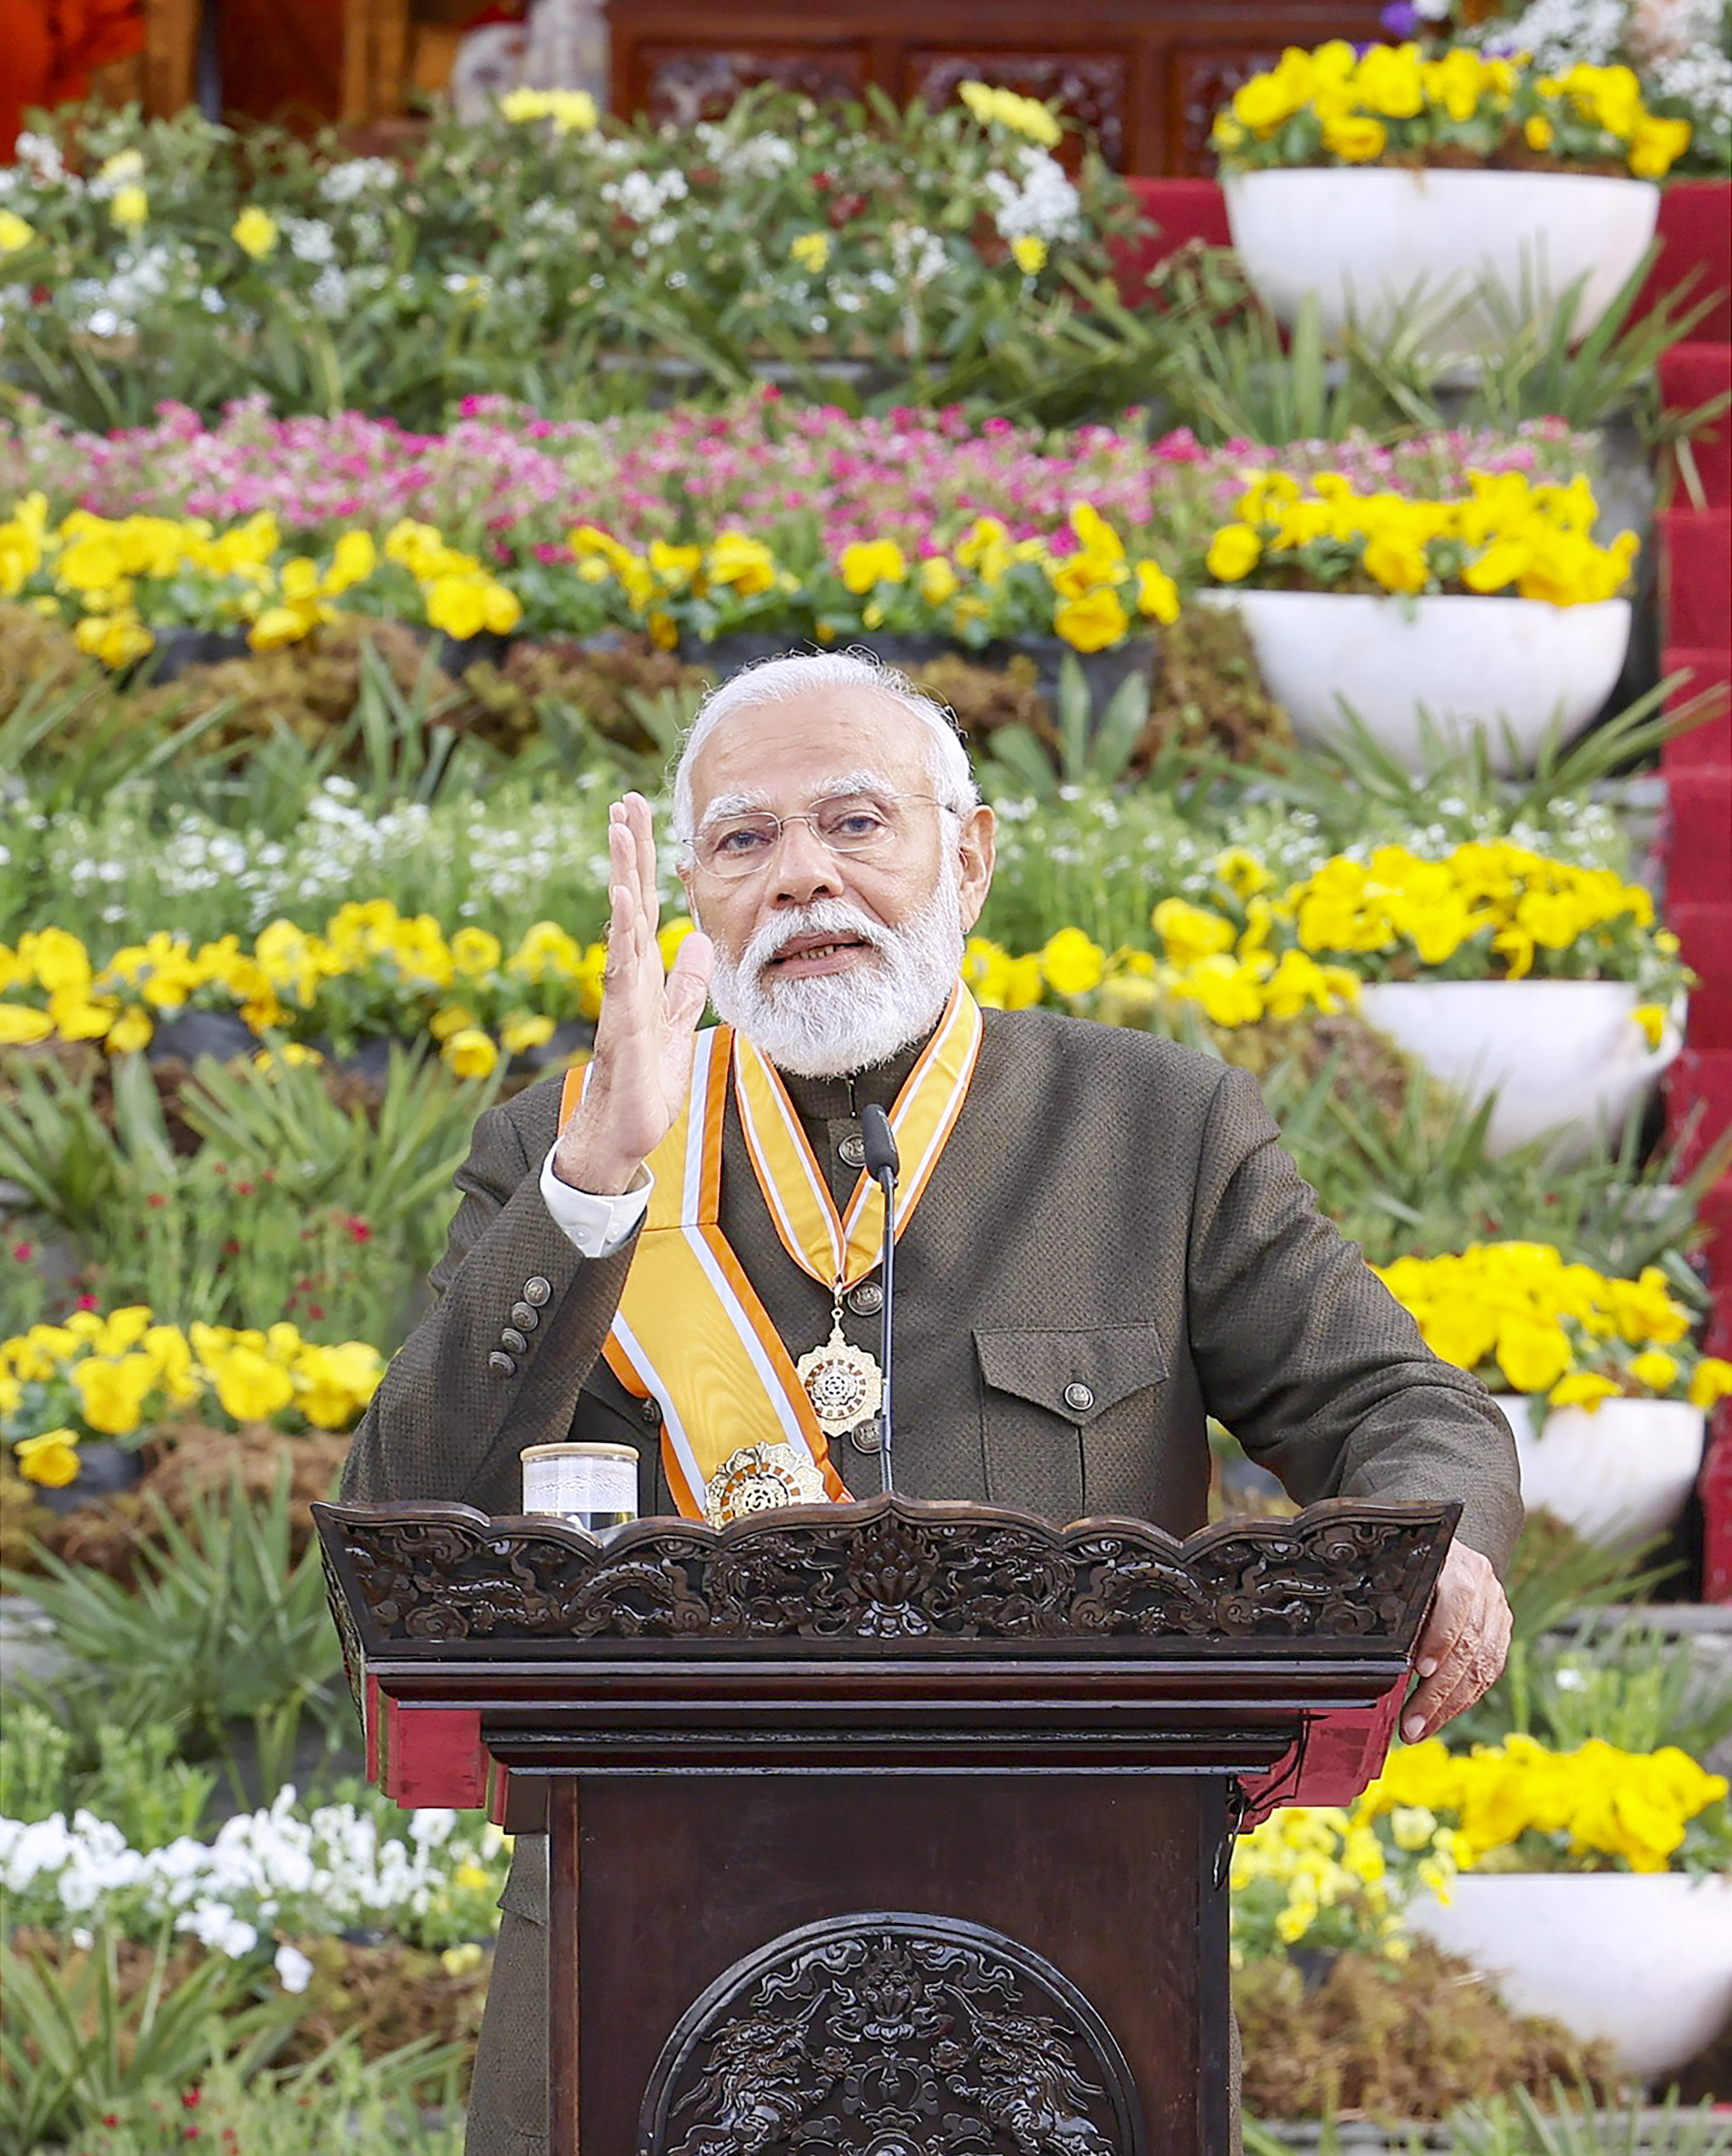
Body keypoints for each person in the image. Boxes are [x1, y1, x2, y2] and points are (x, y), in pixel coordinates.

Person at [342, 649, 1521, 2156]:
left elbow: (1402, 1403)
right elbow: (402, 1509)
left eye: (855, 824)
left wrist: (1453, 1550)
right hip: (639, 1953)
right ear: (693, 892)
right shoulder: (564, 1152)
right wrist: (598, 1187)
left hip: (1071, 1944)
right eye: (744, 841)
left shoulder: (1156, 1129)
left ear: (967, 857)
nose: (801, 880)